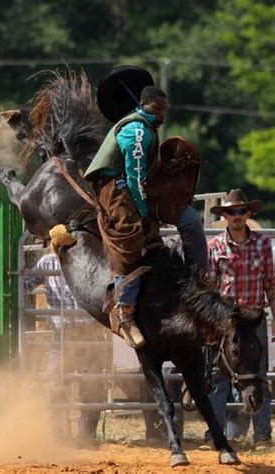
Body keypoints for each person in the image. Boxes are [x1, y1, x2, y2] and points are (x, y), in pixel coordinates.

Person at [84, 77, 207, 349]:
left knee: (186, 219)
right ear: (144, 104)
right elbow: (134, 176)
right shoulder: (137, 132)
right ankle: (124, 312)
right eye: (157, 109)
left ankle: (201, 277)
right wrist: (142, 210)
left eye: (163, 110)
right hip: (115, 187)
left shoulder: (145, 128)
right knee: (130, 237)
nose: (161, 115)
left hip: (132, 186)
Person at [202, 189, 273, 449]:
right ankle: (215, 435)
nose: (236, 216)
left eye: (241, 211)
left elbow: (271, 284)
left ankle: (263, 436)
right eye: (231, 211)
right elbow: (210, 287)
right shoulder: (215, 247)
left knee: (258, 374)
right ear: (225, 216)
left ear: (248, 213)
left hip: (254, 318)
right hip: (226, 320)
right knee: (219, 378)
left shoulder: (263, 244)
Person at [25, 251, 112, 447]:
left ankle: (86, 435)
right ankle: (61, 436)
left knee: (93, 386)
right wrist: (13, 277)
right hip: (64, 335)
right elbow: (25, 283)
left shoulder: (90, 257)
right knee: (57, 385)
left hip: (89, 333)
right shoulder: (48, 262)